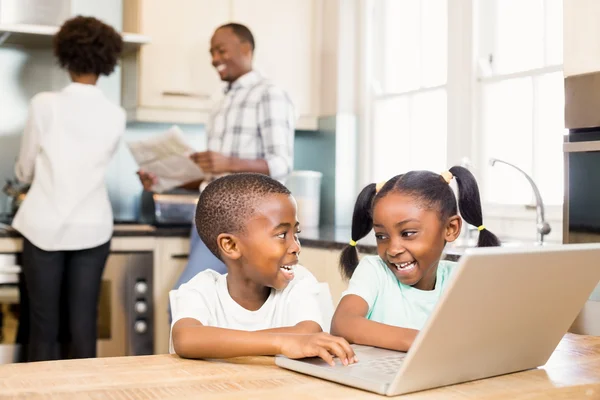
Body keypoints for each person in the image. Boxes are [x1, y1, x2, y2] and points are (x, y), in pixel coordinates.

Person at [138, 22, 295, 289]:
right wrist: (164, 180)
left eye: (221, 50)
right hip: (208, 216)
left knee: (185, 302)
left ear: (246, 48)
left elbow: (282, 164)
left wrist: (228, 163)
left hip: (246, 220)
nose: (215, 59)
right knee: (210, 307)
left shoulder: (269, 95)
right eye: (212, 53)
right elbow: (214, 175)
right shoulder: (218, 102)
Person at [12, 16, 125, 361]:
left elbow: (25, 169)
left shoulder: (44, 104)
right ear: (107, 60)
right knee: (82, 325)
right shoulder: (115, 113)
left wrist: (22, 178)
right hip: (93, 228)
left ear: (65, 55)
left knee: (43, 325)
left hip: (43, 226)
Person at [170, 173, 357, 366]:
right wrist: (280, 342)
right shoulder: (202, 288)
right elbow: (186, 339)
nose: (296, 246)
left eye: (296, 233)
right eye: (282, 234)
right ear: (231, 245)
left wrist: (222, 343)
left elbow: (308, 333)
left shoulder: (298, 281)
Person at [330, 167, 500, 352]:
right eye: (381, 236)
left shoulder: (458, 279)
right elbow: (342, 324)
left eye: (408, 233)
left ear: (450, 228)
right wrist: (422, 342)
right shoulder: (374, 271)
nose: (393, 250)